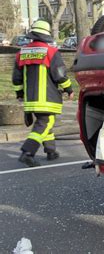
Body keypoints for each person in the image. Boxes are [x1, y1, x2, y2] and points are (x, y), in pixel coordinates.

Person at [11, 20, 74, 167]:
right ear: (46, 36)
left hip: (30, 99)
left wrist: (19, 94)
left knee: (46, 122)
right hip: (47, 98)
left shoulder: (21, 53)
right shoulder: (51, 52)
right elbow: (60, 75)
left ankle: (51, 151)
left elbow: (16, 78)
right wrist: (69, 89)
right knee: (45, 122)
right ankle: (27, 152)